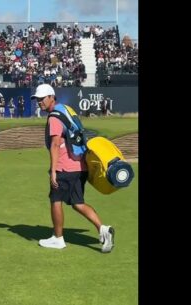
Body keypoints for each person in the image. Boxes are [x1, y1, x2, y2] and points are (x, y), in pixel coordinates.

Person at [30, 84, 114, 253]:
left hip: (65, 167)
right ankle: (103, 229)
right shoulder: (65, 109)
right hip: (80, 165)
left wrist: (53, 171)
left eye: (42, 99)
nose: (39, 102)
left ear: (51, 97)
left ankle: (58, 238)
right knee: (78, 203)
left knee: (55, 200)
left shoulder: (54, 117)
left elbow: (55, 144)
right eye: (37, 99)